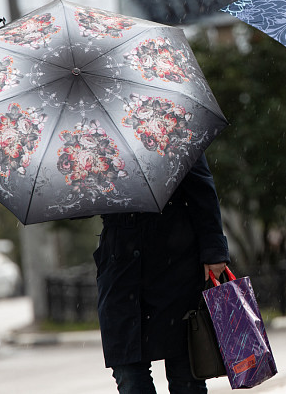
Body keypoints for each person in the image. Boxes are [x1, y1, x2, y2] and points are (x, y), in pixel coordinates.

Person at [94, 153, 230, 394]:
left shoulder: (169, 126)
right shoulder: (89, 136)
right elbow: (77, 207)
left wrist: (214, 250)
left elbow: (202, 188)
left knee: (186, 375)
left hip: (174, 260)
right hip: (119, 267)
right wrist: (86, 177)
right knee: (128, 373)